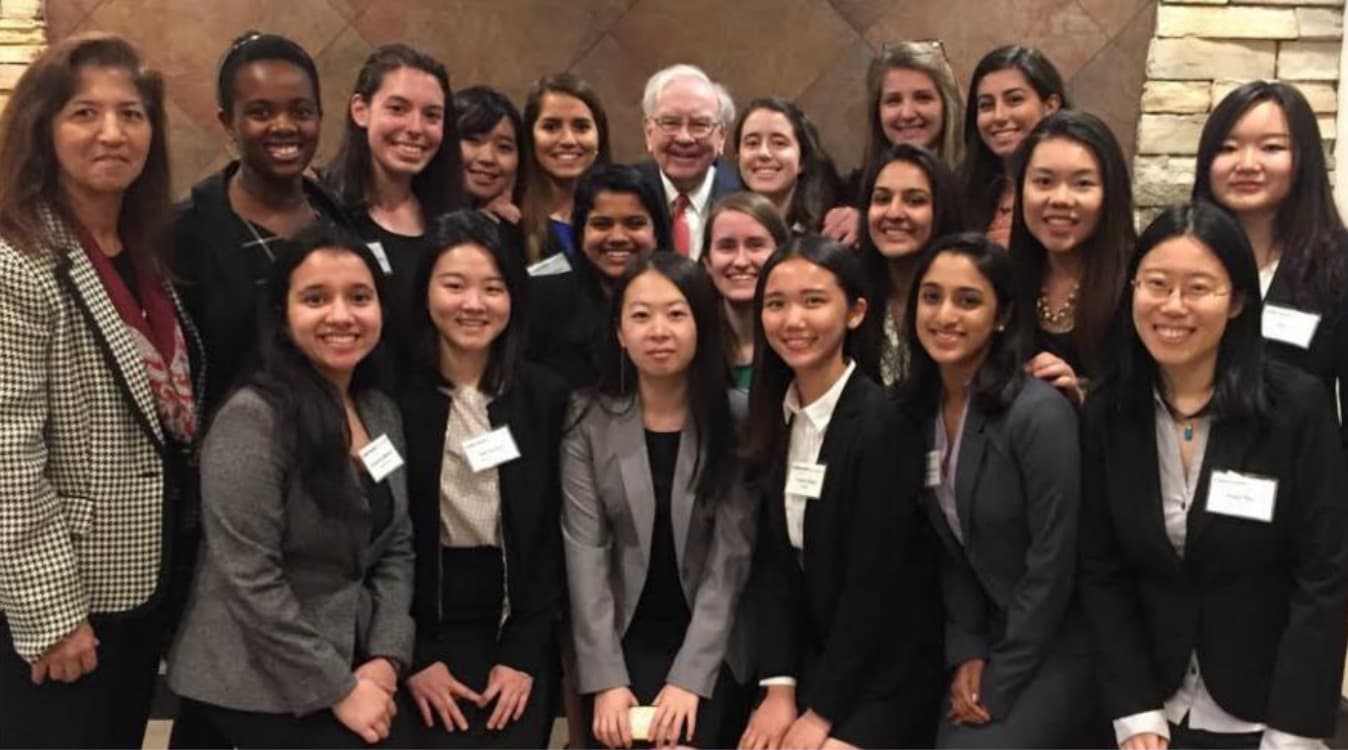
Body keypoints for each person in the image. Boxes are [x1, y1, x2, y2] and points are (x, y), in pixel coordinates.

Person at [1080, 202, 1348, 750]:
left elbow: (1324, 576)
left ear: (1238, 301)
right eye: (1156, 283)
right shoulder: (1110, 411)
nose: (1173, 306)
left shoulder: (1295, 408)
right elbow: (1101, 569)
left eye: (1199, 288)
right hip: (1149, 706)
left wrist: (1294, 730)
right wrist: (1135, 711)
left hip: (1266, 712)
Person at [0, 32, 202, 749]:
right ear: (43, 127)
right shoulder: (18, 261)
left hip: (141, 580)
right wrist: (52, 613)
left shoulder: (143, 249)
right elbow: (7, 457)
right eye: (85, 113)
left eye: (133, 113)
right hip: (69, 595)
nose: (113, 133)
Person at [167, 224, 415, 748]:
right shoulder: (253, 419)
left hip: (355, 663)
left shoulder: (381, 412)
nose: (342, 315)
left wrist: (388, 659)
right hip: (250, 680)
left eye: (360, 297)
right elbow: (249, 578)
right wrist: (338, 687)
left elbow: (396, 546)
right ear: (282, 315)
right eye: (315, 298)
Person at [738, 236, 942, 749]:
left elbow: (873, 590)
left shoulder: (881, 426)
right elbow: (776, 569)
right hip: (816, 657)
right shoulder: (776, 416)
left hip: (889, 670)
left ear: (855, 312)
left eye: (814, 301)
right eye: (776, 304)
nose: (793, 321)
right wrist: (779, 689)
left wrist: (821, 714)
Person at [897, 233, 1097, 747]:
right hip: (984, 633)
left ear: (1002, 316)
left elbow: (1054, 563)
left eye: (968, 301)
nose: (945, 315)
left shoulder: (1038, 412)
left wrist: (1001, 674)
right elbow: (950, 549)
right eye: (932, 296)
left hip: (1059, 640)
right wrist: (967, 650)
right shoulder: (917, 412)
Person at [563, 252, 756, 749]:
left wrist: (690, 679)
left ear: (701, 325)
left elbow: (729, 562)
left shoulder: (737, 420)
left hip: (712, 641)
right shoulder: (587, 419)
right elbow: (586, 554)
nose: (659, 331)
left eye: (676, 313)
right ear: (620, 332)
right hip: (620, 640)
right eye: (641, 316)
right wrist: (606, 679)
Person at [399, 211, 568, 748]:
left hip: (516, 624)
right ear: (426, 291)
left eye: (492, 288)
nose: (473, 304)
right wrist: (414, 655)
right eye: (454, 285)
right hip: (416, 625)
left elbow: (552, 539)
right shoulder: (390, 397)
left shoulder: (545, 398)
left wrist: (522, 654)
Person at [175, 30, 350, 415]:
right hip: (236, 449)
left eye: (301, 111)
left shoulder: (340, 221)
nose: (284, 126)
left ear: (319, 116)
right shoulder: (184, 233)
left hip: (338, 440)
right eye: (261, 112)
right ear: (227, 121)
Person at [1191, 81, 1348, 447]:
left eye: (1271, 147)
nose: (1247, 164)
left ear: (1303, 158)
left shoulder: (1338, 265)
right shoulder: (1180, 254)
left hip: (1306, 478)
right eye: (1228, 148)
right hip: (1192, 468)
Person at [323, 43, 461, 334]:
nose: (416, 127)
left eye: (432, 115)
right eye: (398, 109)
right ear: (361, 111)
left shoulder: (452, 217)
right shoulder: (320, 207)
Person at [1008, 110, 1134, 403]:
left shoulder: (1138, 283)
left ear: (1110, 193)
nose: (1061, 199)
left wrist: (1082, 395)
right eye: (1043, 182)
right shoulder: (1006, 279)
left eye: (1082, 184)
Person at [527, 163, 671, 390]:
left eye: (634, 223)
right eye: (601, 224)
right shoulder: (542, 298)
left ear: (657, 233)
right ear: (581, 232)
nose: (617, 237)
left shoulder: (683, 294)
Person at [856, 144, 964, 387]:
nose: (894, 213)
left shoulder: (968, 298)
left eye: (914, 201)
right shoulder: (851, 294)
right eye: (882, 199)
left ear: (941, 211)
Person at [959, 45, 1066, 247]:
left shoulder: (1069, 191)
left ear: (1050, 106)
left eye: (1014, 100)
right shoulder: (962, 191)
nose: (999, 116)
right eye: (986, 105)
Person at [638, 64, 744, 259]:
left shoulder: (745, 197)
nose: (684, 138)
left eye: (700, 125)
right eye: (670, 123)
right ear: (648, 131)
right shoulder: (625, 193)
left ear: (721, 137)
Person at [701, 191, 791, 391]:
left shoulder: (801, 339)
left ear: (781, 254)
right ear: (707, 262)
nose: (741, 261)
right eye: (726, 247)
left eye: (756, 245)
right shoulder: (694, 344)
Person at [518, 73, 610, 265]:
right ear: (530, 137)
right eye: (551, 127)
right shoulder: (513, 220)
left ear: (599, 136)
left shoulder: (625, 214)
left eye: (581, 127)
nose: (568, 140)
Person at [733, 97, 845, 234]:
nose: (763, 153)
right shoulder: (724, 225)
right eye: (752, 143)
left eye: (779, 143)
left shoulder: (832, 230)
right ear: (738, 157)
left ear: (802, 160)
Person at [859, 40, 963, 177]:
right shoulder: (853, 193)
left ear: (947, 106)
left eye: (923, 98)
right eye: (893, 101)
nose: (907, 114)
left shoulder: (982, 191)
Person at [456, 85, 525, 226]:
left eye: (504, 147)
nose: (488, 158)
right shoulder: (415, 220)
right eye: (474, 140)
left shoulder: (520, 229)